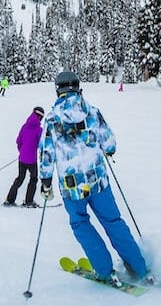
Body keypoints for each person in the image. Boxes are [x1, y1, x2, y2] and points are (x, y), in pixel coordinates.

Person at [39, 71, 150, 286]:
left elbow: (46, 153)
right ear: (78, 88)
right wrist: (107, 150)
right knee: (113, 221)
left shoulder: (51, 120)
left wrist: (45, 181)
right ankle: (138, 267)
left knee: (80, 223)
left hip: (72, 188)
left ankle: (104, 270)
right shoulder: (92, 112)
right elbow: (109, 143)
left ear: (58, 91)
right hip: (99, 182)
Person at [4, 106, 44, 207]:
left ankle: (9, 200)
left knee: (20, 179)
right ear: (40, 117)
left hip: (22, 159)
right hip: (32, 160)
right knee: (33, 179)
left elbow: (18, 141)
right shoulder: (39, 129)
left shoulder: (24, 126)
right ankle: (28, 201)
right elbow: (41, 144)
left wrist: (22, 152)